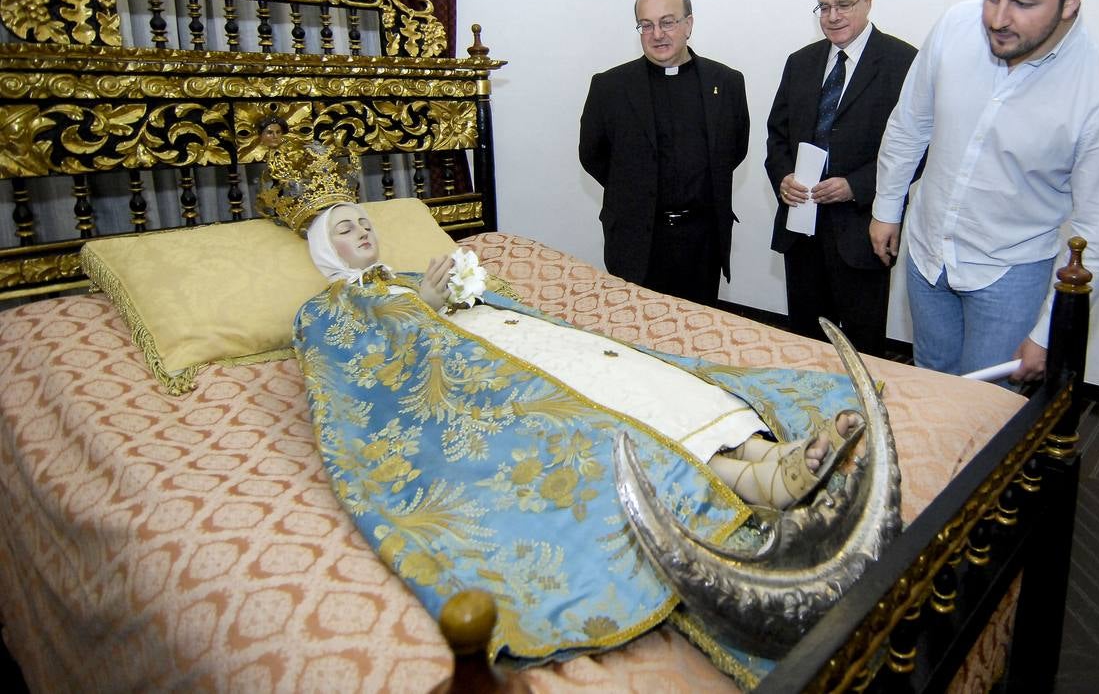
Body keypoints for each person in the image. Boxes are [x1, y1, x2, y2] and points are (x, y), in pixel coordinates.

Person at [263, 141, 864, 664]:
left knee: (647, 378)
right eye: (344, 228)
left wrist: (447, 294)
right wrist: (424, 306)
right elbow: (371, 379)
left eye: (364, 222)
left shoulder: (403, 275)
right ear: (321, 247)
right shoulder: (323, 312)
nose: (362, 231)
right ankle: (758, 483)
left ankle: (772, 453)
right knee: (605, 418)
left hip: (528, 344)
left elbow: (490, 303)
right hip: (488, 382)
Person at [869, 0, 1099, 382]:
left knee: (988, 416)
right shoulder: (956, 26)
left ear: (1072, 0)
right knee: (930, 384)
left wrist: (1051, 331)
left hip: (1008, 274)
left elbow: (1098, 230)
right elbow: (910, 123)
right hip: (927, 253)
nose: (998, 18)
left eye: (1023, 3)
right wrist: (887, 208)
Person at [765, 0, 917, 354]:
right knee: (805, 343)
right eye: (824, 7)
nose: (833, 16)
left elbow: (918, 149)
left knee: (862, 349)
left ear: (867, 2)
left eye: (844, 5)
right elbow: (777, 136)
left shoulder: (903, 62)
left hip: (864, 231)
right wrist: (783, 176)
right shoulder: (801, 62)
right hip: (802, 228)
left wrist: (855, 186)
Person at [579, 0, 749, 304]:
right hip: (636, 238)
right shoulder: (609, 87)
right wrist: (635, 189)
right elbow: (592, 154)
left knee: (697, 334)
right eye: (646, 25)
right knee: (635, 334)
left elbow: (734, 149)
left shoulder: (725, 83)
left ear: (688, 24)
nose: (657, 34)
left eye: (667, 22)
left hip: (702, 240)